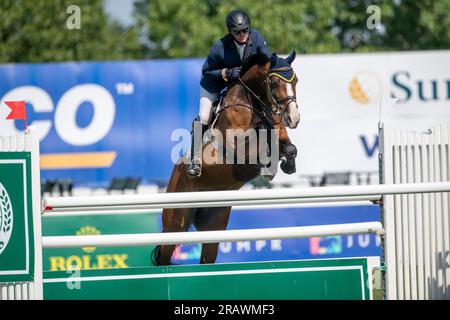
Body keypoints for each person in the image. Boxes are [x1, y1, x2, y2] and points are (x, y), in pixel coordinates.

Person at [187, 9, 272, 177]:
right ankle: (195, 160)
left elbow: (267, 61)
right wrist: (225, 72)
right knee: (204, 116)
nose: (242, 35)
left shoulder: (256, 38)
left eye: (245, 30)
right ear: (230, 32)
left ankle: (269, 153)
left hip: (239, 87)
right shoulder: (220, 46)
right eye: (237, 32)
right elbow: (206, 71)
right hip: (214, 85)